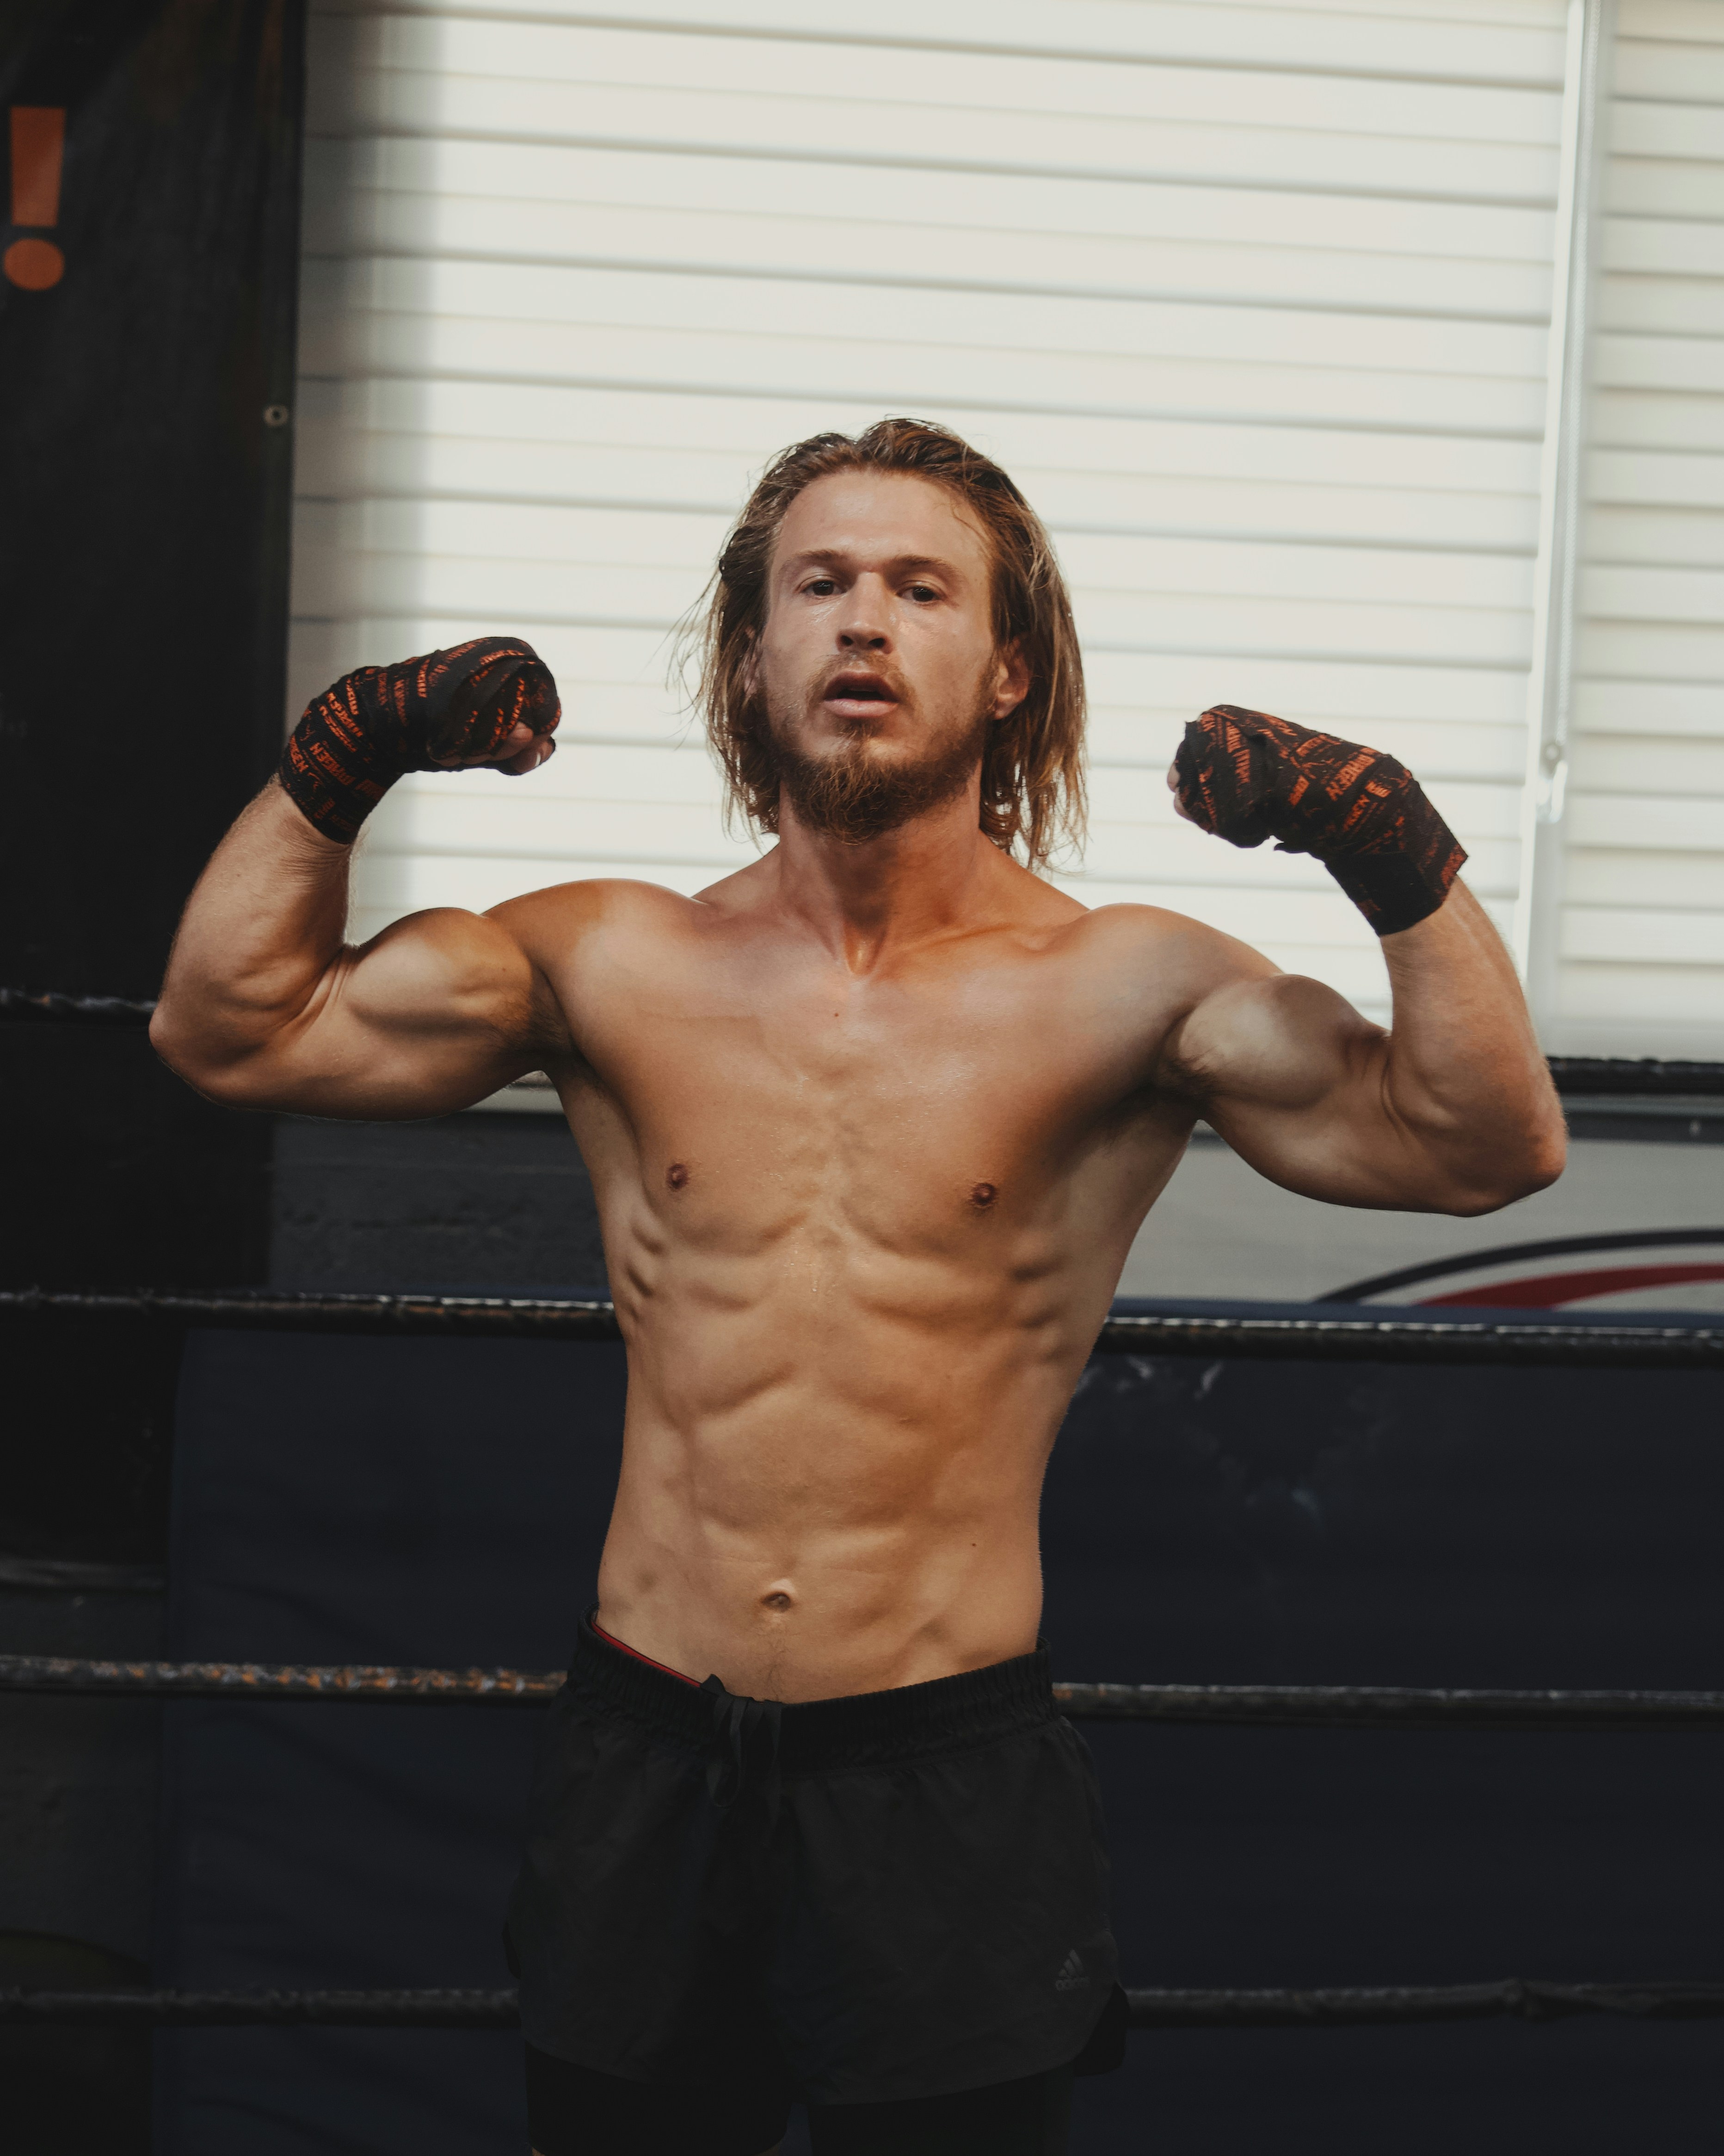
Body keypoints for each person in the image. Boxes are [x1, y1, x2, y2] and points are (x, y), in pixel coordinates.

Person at [150, 418, 1566, 2155]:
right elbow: (229, 1027)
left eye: (921, 588)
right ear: (754, 658)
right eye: (818, 585)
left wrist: (1393, 851)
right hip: (648, 1752)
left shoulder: (1128, 987)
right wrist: (343, 756)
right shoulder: (609, 957)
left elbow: (1482, 1149)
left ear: (1008, 667)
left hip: (941, 1772)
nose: (866, 622)